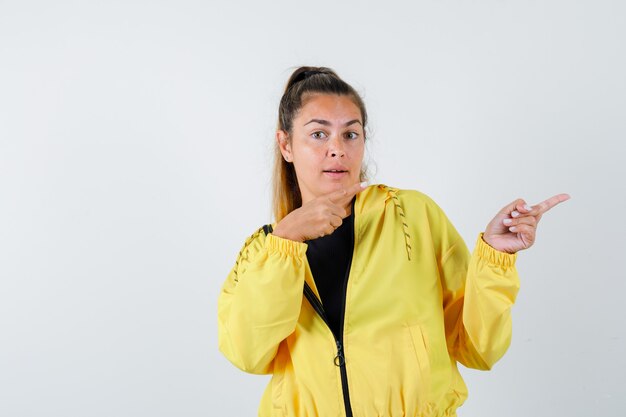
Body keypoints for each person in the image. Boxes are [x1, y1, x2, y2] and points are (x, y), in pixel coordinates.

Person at [217, 66, 569, 417]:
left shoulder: (413, 217)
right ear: (286, 145)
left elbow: (478, 348)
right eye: (319, 135)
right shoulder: (264, 251)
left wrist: (493, 259)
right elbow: (247, 353)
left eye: (350, 134)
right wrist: (286, 241)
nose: (337, 149)